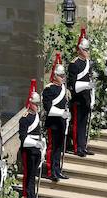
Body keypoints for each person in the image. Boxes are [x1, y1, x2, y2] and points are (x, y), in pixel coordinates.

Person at [42, 53, 70, 182]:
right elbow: (48, 108)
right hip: (53, 122)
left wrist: (66, 114)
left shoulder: (64, 88)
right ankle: (50, 170)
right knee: (52, 147)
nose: (63, 78)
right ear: (55, 76)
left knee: (59, 147)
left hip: (62, 122)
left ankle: (57, 170)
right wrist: (61, 113)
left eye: (64, 75)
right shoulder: (49, 89)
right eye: (61, 75)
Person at [68, 27, 95, 156]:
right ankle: (77, 147)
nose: (87, 52)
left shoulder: (89, 63)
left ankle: (83, 146)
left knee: (84, 123)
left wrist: (92, 97)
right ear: (79, 50)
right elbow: (73, 84)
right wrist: (86, 85)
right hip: (78, 98)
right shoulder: (74, 64)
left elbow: (90, 78)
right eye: (85, 49)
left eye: (88, 49)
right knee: (77, 123)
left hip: (86, 97)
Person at [19, 79, 45, 198]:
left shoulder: (37, 116)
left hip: (36, 148)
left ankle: (33, 195)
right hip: (28, 149)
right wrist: (35, 144)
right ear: (30, 103)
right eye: (36, 104)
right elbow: (23, 138)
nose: (37, 106)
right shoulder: (25, 118)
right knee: (28, 174)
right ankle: (27, 195)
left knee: (33, 173)